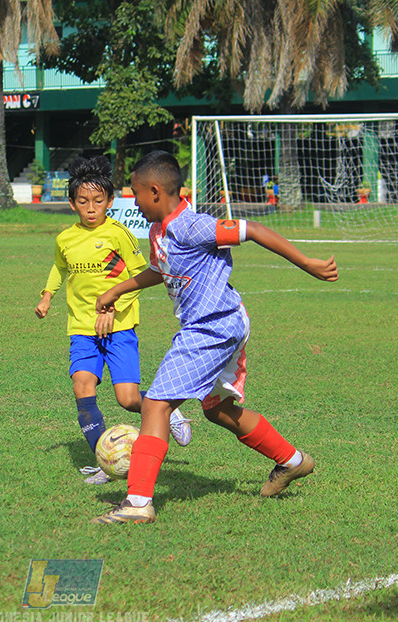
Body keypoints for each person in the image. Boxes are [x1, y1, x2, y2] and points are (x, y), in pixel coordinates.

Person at [91, 151, 338, 524]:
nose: (134, 202)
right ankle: (293, 461)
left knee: (156, 405)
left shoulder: (192, 226)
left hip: (212, 327)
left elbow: (251, 229)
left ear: (155, 192)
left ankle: (138, 503)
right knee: (217, 409)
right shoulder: (161, 231)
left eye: (136, 194)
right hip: (221, 324)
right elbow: (162, 270)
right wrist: (118, 290)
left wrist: (308, 263)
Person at [35, 155, 192, 485]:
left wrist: (113, 308)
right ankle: (104, 462)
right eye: (82, 201)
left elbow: (141, 275)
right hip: (82, 329)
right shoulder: (65, 239)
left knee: (128, 399)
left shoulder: (118, 234)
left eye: (97, 201)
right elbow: (60, 268)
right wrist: (48, 294)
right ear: (71, 203)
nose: (90, 208)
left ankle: (167, 409)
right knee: (82, 387)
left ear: (109, 202)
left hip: (120, 327)